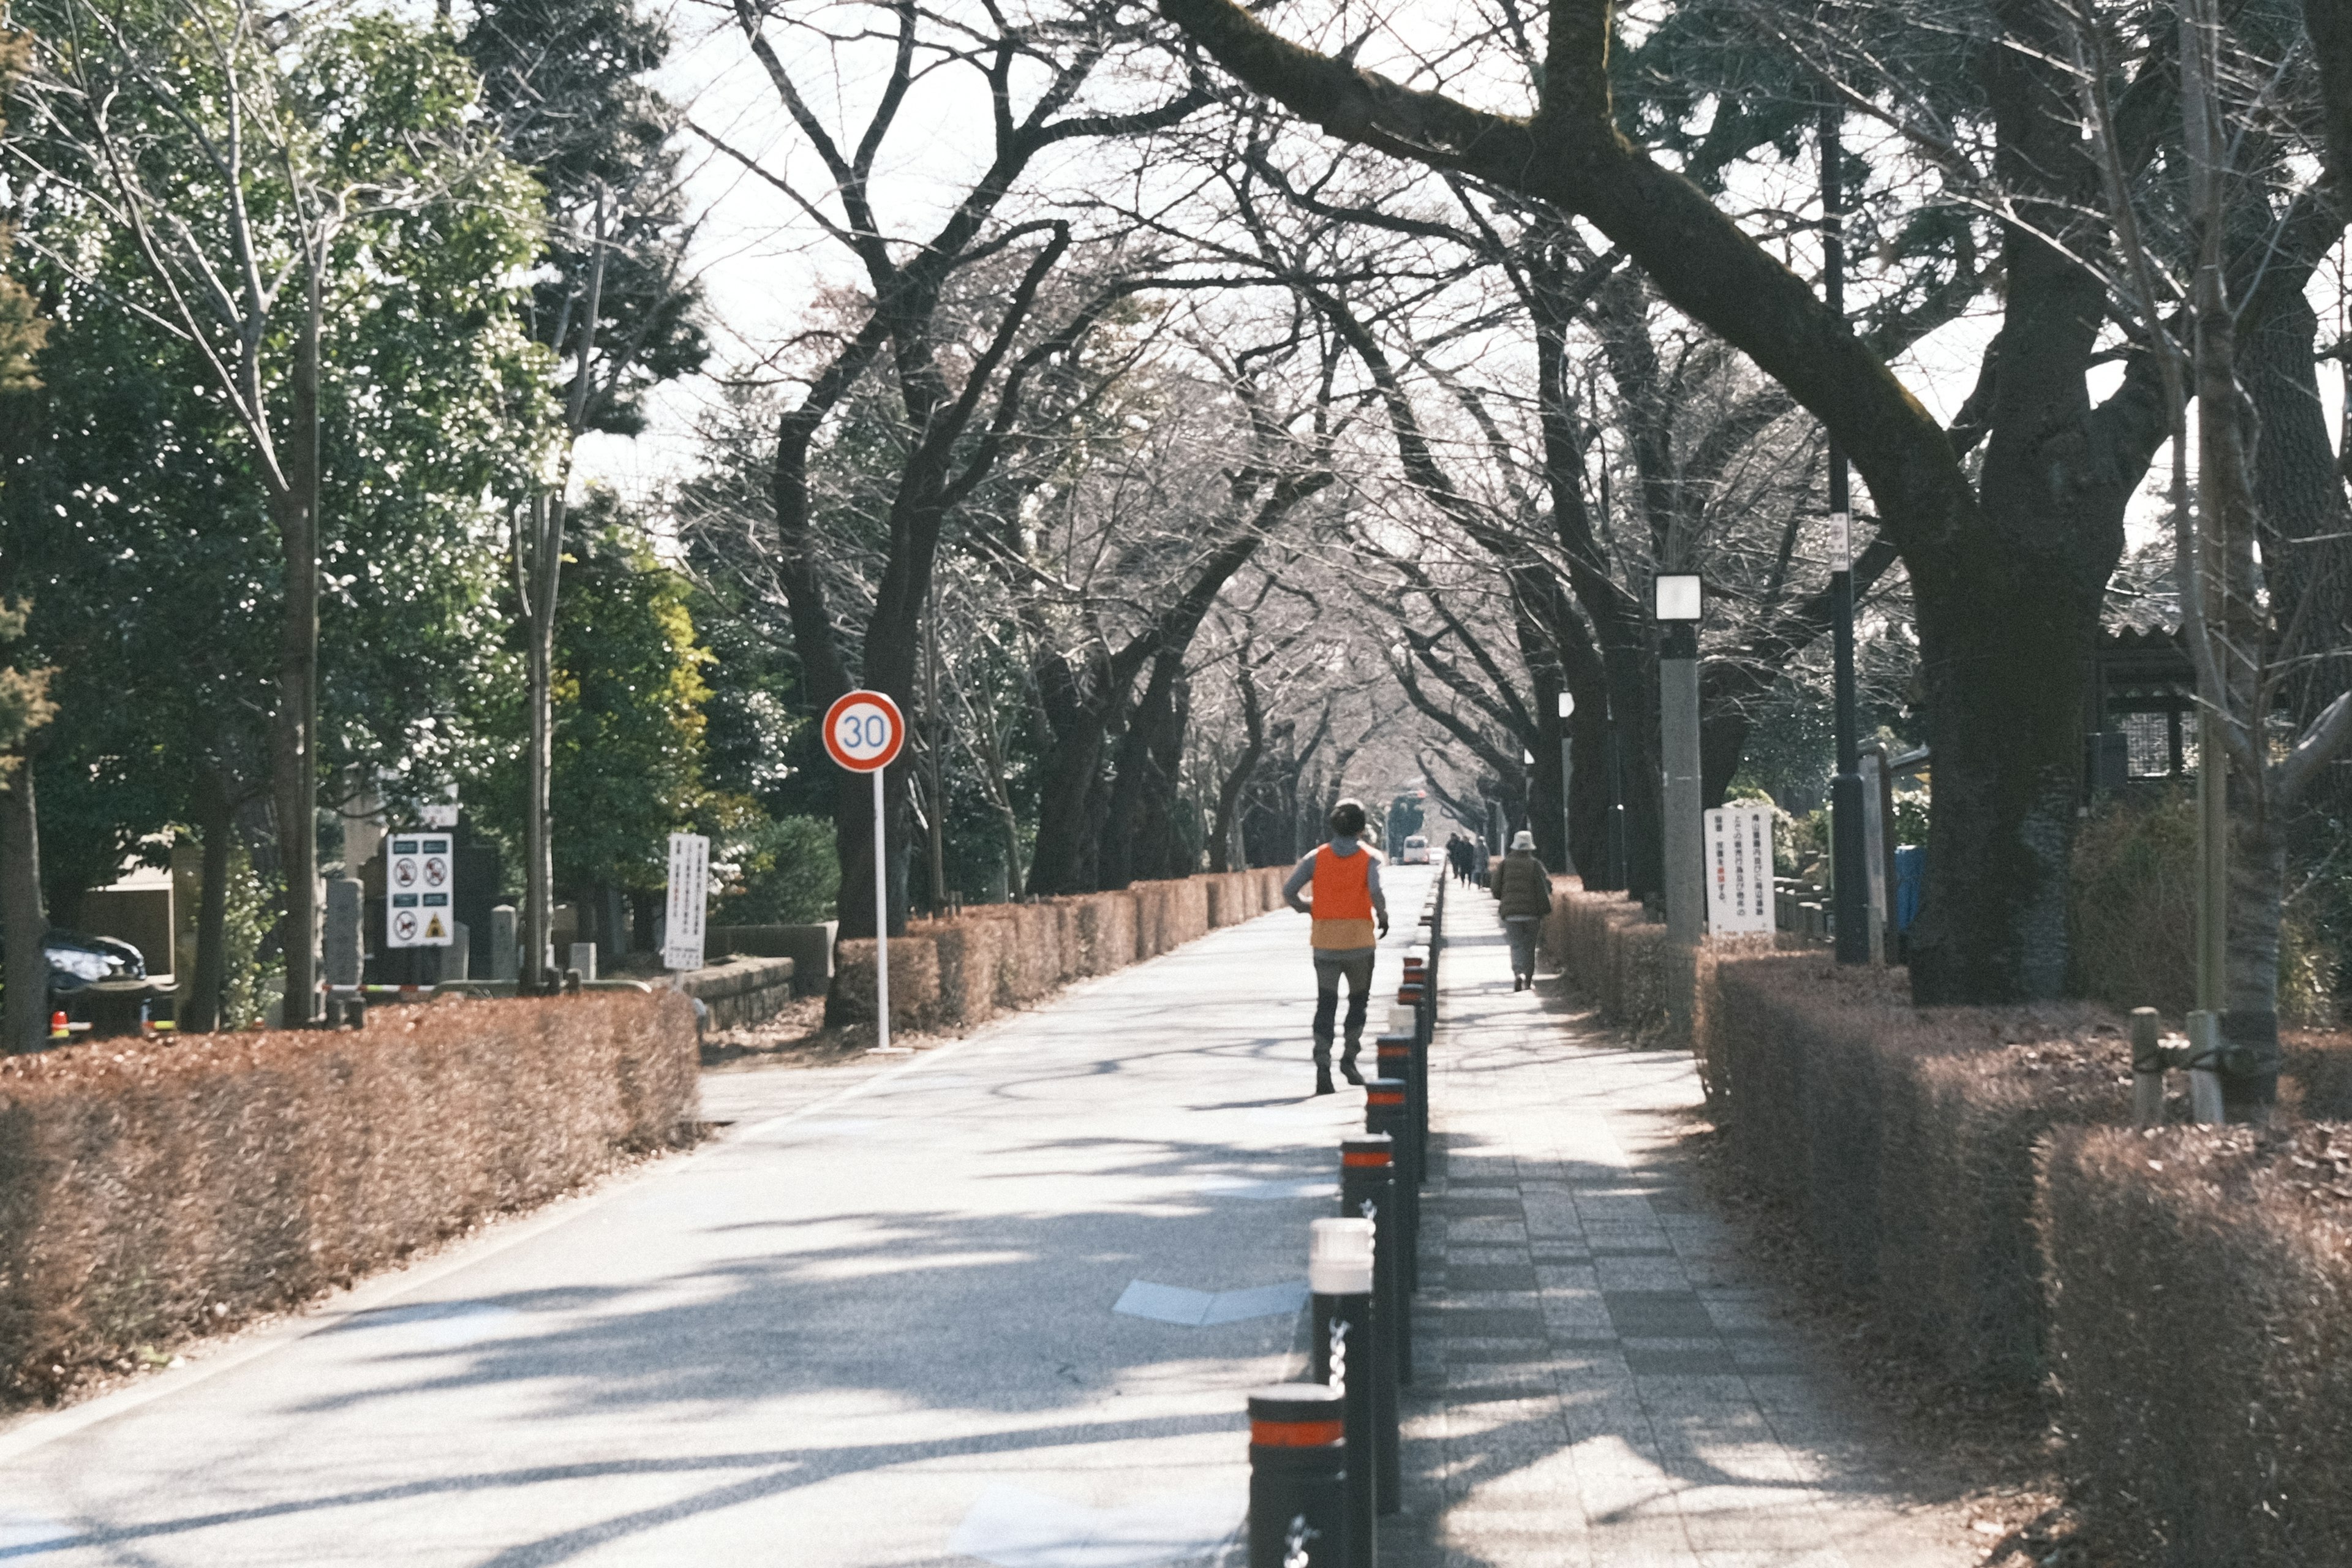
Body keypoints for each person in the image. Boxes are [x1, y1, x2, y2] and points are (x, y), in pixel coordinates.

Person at [1283, 798, 1391, 1095]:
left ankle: (1322, 1065)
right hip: (1360, 942)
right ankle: (1349, 1059)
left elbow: (1289, 891)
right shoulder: (1370, 857)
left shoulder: (1316, 858)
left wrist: (1308, 908)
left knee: (1326, 1004)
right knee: (1358, 1002)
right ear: (1361, 827)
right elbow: (1376, 891)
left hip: (1325, 943)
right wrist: (1382, 915)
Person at [1494, 829, 1554, 990]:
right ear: (1530, 848)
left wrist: (1506, 899)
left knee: (1516, 945)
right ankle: (1528, 979)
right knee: (1530, 946)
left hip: (1511, 914)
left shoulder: (1505, 864)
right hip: (1532, 914)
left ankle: (1518, 973)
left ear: (1514, 846)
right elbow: (1546, 886)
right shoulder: (1535, 865)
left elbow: (1495, 889)